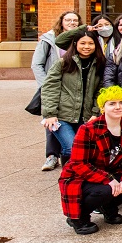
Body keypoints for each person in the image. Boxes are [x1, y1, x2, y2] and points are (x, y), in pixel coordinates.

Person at [58, 86, 122, 235]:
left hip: (110, 170)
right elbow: (78, 163)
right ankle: (78, 217)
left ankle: (108, 207)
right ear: (103, 107)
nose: (118, 107)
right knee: (105, 190)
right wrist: (108, 179)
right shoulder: (88, 129)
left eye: (121, 103)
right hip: (81, 175)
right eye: (112, 103)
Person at [42, 29, 106, 164]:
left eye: (91, 43)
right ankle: (70, 178)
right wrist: (50, 113)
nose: (87, 47)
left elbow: (100, 91)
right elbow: (50, 88)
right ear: (76, 44)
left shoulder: (100, 64)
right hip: (62, 115)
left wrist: (95, 112)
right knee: (72, 148)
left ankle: (70, 177)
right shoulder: (63, 62)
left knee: (84, 150)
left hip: (86, 117)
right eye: (83, 43)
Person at [34, 11, 81, 171]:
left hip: (73, 87)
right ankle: (52, 155)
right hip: (54, 86)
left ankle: (65, 154)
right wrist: (46, 85)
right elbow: (37, 65)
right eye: (68, 20)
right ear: (61, 22)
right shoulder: (49, 39)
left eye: (75, 20)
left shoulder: (79, 39)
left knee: (67, 121)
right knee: (52, 119)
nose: (72, 22)